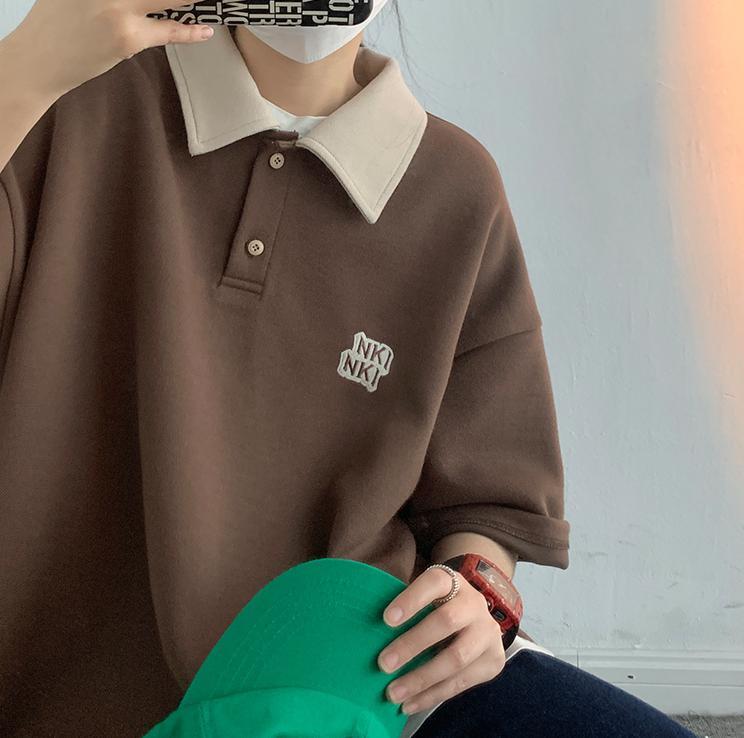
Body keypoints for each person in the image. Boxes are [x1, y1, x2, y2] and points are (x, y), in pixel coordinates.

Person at [0, 2, 696, 736]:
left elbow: (488, 505)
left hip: (364, 684)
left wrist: (478, 594)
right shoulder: (72, 103)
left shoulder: (456, 188)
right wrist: (27, 64)